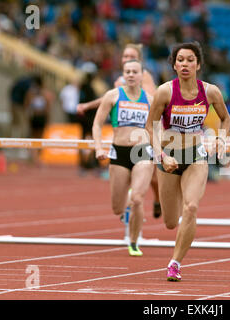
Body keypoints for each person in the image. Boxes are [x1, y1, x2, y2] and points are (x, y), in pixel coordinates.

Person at [145, 42, 230, 281]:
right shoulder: (165, 92)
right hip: (168, 158)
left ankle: (175, 263)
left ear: (198, 64)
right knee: (171, 222)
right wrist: (161, 156)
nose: (185, 64)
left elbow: (226, 119)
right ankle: (174, 197)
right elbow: (149, 127)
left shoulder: (211, 91)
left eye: (190, 60)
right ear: (174, 65)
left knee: (191, 207)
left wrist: (222, 141)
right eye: (180, 60)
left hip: (195, 156)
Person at [77, 43, 161, 218]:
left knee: (151, 179)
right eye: (125, 57)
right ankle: (132, 200)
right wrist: (89, 105)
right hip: (121, 146)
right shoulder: (120, 81)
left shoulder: (144, 77)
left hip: (142, 141)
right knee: (118, 204)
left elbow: (153, 101)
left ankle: (154, 200)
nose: (127, 60)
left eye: (131, 57)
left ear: (139, 60)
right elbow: (109, 98)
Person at [93, 59, 155, 257]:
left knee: (138, 199)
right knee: (117, 208)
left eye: (134, 71)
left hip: (142, 152)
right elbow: (96, 124)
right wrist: (98, 148)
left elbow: (157, 128)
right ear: (122, 74)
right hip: (119, 152)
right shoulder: (112, 96)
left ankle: (134, 242)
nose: (130, 74)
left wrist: (160, 151)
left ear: (141, 75)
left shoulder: (150, 100)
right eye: (127, 71)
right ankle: (128, 196)